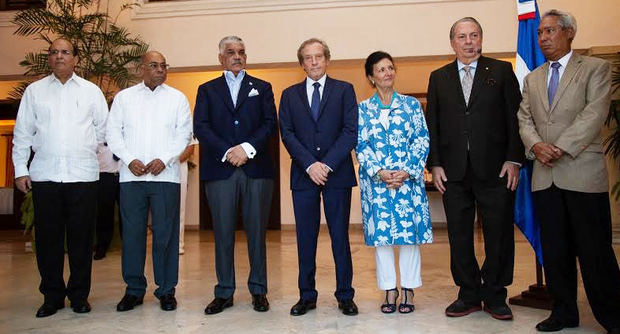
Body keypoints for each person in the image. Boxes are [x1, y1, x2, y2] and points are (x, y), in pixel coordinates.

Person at [517, 9, 620, 333]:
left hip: (582, 174)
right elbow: (524, 119)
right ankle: (563, 313)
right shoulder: (532, 78)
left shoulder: (595, 68)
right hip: (545, 177)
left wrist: (559, 147)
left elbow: (594, 113)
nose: (544, 38)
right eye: (540, 33)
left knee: (595, 252)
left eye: (549, 31)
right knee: (556, 251)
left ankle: (612, 316)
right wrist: (536, 146)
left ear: (568, 33)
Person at [426, 17, 524, 320]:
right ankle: (468, 293)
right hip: (453, 172)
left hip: (496, 169)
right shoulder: (439, 77)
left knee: (498, 234)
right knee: (458, 235)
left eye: (474, 35)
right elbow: (434, 124)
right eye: (462, 36)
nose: (468, 41)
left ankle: (495, 295)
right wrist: (436, 164)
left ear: (481, 38)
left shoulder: (501, 71)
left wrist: (513, 159)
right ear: (452, 42)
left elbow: (516, 118)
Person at [12, 38, 108, 317]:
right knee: (48, 242)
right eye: (54, 52)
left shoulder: (91, 91)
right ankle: (52, 297)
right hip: (45, 176)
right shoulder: (34, 91)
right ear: (49, 58)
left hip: (83, 176)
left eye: (65, 52)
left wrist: (85, 152)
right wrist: (21, 170)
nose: (59, 56)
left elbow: (103, 132)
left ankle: (79, 296)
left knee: (80, 241)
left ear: (76, 58)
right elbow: (22, 134)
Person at [194, 36, 277, 314]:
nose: (237, 56)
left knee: (256, 233)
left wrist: (246, 148)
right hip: (220, 170)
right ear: (220, 58)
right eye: (230, 52)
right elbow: (201, 127)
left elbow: (269, 124)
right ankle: (224, 291)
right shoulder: (206, 90)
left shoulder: (262, 88)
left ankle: (258, 290)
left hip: (256, 170)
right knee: (223, 233)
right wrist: (229, 151)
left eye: (241, 51)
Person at [106, 51, 192, 312]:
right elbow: (112, 133)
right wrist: (130, 159)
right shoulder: (124, 98)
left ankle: (166, 290)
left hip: (165, 177)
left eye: (163, 66)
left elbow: (183, 135)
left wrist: (164, 159)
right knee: (132, 235)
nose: (160, 70)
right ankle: (133, 290)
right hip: (131, 178)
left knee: (165, 235)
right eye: (154, 65)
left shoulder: (177, 99)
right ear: (141, 69)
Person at [279, 38, 359, 316]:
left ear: (327, 59)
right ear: (301, 63)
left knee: (340, 237)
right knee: (305, 238)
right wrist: (310, 165)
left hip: (337, 175)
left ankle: (345, 295)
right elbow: (287, 133)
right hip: (303, 176)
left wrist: (325, 164)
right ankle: (307, 295)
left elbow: (350, 131)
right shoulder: (289, 95)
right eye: (308, 58)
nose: (314, 62)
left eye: (319, 56)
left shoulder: (345, 90)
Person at [356, 51, 433, 314]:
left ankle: (409, 288)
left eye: (390, 68)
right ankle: (389, 289)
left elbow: (422, 140)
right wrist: (380, 171)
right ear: (371, 77)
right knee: (383, 239)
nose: (387, 73)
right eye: (381, 69)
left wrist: (407, 170)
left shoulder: (411, 105)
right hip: (376, 185)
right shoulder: (362, 109)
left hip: (407, 183)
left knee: (409, 238)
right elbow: (361, 145)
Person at [93, 142, 122, 260]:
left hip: (126, 174)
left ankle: (129, 246)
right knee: (104, 213)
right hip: (104, 173)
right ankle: (102, 246)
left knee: (127, 213)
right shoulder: (98, 124)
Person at [178, 138, 198, 255]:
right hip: (157, 169)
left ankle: (179, 244)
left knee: (180, 207)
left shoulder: (187, 120)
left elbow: (190, 148)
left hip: (179, 166)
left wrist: (169, 163)